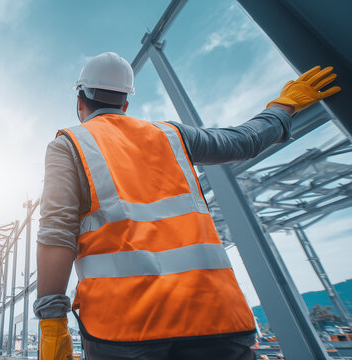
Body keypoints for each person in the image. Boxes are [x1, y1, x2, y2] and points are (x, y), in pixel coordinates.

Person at [34, 52, 340, 360]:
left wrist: (51, 319)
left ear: (80, 101)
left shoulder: (69, 145)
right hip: (216, 317)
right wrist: (284, 106)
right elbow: (242, 142)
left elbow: (57, 234)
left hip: (126, 327)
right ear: (126, 104)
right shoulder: (172, 135)